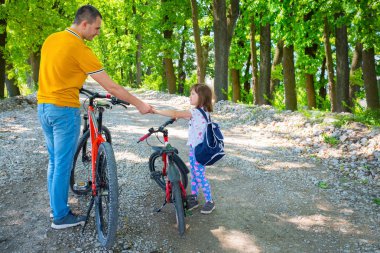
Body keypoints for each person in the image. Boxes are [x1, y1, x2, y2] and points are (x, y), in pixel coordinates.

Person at [37, 5, 152, 229]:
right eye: (96, 28)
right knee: (62, 163)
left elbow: (57, 71)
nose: (97, 33)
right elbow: (110, 85)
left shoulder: (52, 39)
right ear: (84, 23)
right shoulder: (79, 48)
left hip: (44, 107)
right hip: (63, 110)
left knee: (54, 160)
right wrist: (139, 104)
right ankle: (60, 216)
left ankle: (56, 208)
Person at [152, 84, 215, 214]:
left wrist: (155, 111)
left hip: (199, 150)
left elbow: (176, 113)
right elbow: (182, 116)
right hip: (196, 148)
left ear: (202, 97)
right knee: (194, 173)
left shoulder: (196, 112)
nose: (189, 96)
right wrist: (178, 116)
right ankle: (194, 197)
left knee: (200, 175)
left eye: (193, 94)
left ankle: (210, 201)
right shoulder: (203, 111)